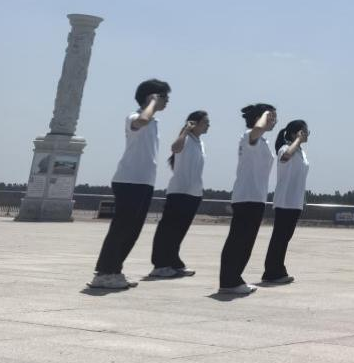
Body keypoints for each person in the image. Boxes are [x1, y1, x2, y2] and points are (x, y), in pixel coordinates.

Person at [89, 79, 170, 290]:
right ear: (151, 97)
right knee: (121, 229)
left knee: (132, 231)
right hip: (129, 181)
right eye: (164, 97)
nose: (167, 101)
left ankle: (114, 271)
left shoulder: (155, 122)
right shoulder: (135, 116)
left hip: (144, 182)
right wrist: (152, 103)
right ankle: (104, 273)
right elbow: (142, 120)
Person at [217, 103, 276, 295]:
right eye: (271, 117)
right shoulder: (250, 135)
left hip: (256, 197)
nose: (274, 121)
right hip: (247, 196)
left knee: (245, 242)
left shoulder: (262, 141)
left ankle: (234, 279)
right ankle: (229, 281)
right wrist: (265, 115)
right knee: (238, 241)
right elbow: (257, 129)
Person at [149, 110, 209, 278]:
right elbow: (174, 148)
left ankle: (174, 262)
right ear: (194, 123)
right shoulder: (186, 138)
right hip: (179, 191)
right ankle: (160, 265)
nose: (208, 125)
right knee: (168, 229)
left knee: (180, 231)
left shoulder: (200, 142)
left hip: (194, 193)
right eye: (205, 122)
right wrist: (185, 130)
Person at [263, 119, 310, 285]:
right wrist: (297, 140)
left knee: (285, 238)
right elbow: (284, 157)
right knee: (279, 237)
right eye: (304, 131)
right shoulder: (286, 148)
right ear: (295, 133)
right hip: (285, 201)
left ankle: (277, 270)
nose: (307, 135)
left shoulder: (301, 152)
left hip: (295, 202)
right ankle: (271, 271)